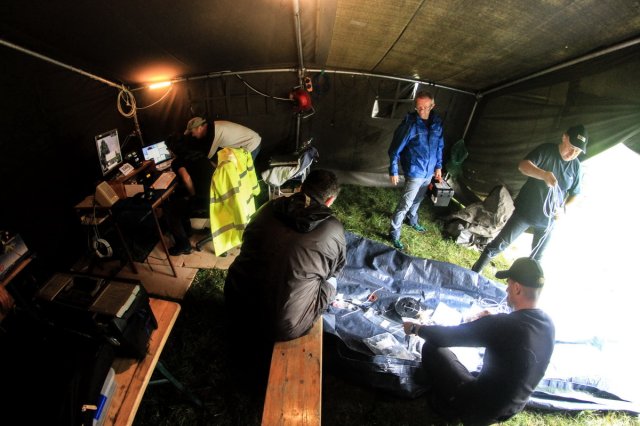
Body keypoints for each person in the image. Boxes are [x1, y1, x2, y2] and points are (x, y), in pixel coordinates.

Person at [404, 257, 555, 425]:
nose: (506, 289)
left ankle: (449, 405)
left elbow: (446, 337)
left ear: (517, 288)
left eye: (509, 284)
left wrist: (416, 328)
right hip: (512, 407)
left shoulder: (502, 325)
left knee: (432, 347)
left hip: (478, 409)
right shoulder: (548, 323)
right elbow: (516, 336)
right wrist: (492, 322)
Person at [224, 168, 346, 342]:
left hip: (235, 302)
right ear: (330, 200)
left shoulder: (268, 207)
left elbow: (247, 239)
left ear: (301, 187)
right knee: (331, 281)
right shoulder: (333, 228)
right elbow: (336, 269)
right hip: (281, 326)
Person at [472, 125, 588, 273]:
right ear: (564, 137)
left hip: (549, 220)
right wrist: (543, 175)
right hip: (525, 212)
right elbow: (523, 166)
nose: (572, 153)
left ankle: (516, 280)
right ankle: (474, 273)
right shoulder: (547, 151)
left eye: (577, 151)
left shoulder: (576, 167)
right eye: (571, 147)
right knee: (499, 245)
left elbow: (575, 194)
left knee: (536, 259)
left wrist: (564, 209)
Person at [388, 91, 444, 250]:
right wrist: (393, 170)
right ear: (415, 106)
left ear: (432, 105)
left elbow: (440, 146)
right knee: (405, 204)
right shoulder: (410, 124)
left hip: (429, 171)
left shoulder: (437, 123)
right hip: (415, 170)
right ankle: (394, 233)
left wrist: (438, 166)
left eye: (426, 107)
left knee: (418, 199)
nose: (422, 111)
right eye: (419, 107)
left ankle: (412, 220)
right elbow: (395, 149)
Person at [164, 131, 215, 255]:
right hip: (216, 195)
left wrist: (193, 196)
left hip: (204, 200)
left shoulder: (177, 162)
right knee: (179, 197)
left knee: (170, 210)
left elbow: (186, 178)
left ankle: (183, 245)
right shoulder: (199, 154)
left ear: (172, 150)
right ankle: (187, 232)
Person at [183, 116, 262, 162]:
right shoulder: (213, 126)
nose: (192, 135)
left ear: (199, 128)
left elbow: (209, 156)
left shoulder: (213, 133)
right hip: (252, 141)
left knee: (243, 174)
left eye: (192, 132)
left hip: (251, 144)